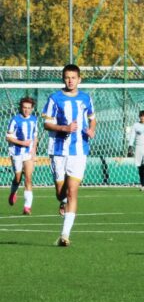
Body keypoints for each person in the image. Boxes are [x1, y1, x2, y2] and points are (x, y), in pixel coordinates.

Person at [42, 64, 97, 247]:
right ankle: (62, 201)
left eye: (74, 77)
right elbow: (47, 124)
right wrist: (64, 128)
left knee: (73, 191)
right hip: (58, 149)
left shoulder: (86, 98)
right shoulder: (54, 98)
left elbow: (92, 117)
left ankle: (64, 235)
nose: (70, 80)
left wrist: (91, 130)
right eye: (67, 77)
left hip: (79, 150)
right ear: (63, 79)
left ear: (79, 79)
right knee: (61, 194)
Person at [6, 97, 38, 215]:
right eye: (24, 108)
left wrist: (34, 150)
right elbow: (8, 137)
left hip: (28, 153)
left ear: (32, 109)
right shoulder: (15, 120)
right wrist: (22, 143)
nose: (26, 110)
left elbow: (35, 136)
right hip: (16, 152)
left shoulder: (34, 120)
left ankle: (27, 206)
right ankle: (13, 192)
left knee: (28, 178)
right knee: (18, 178)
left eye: (29, 108)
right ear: (21, 108)